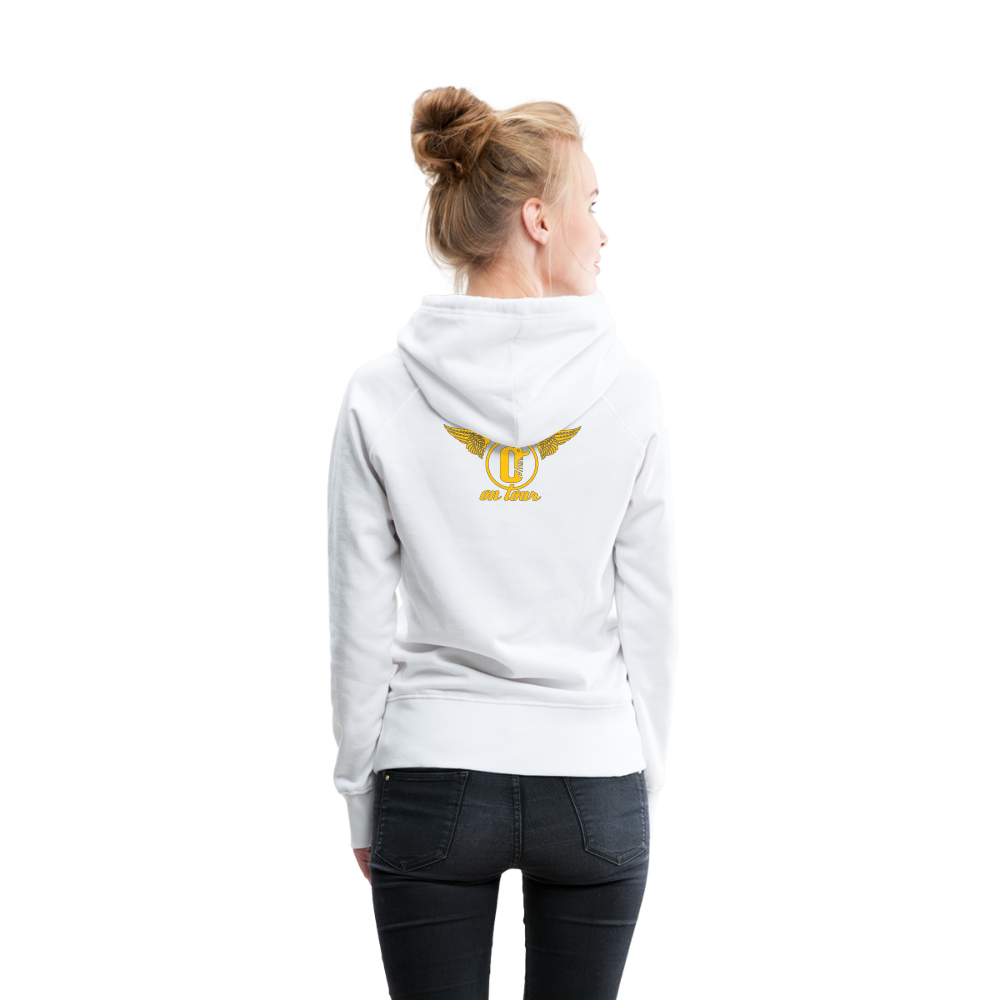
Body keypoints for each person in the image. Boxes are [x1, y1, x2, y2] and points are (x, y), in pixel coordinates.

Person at [328, 76, 679, 999]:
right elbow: (652, 617)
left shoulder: (378, 393)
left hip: (429, 775)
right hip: (594, 773)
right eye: (591, 207)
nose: (602, 233)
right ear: (538, 220)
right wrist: (638, 786)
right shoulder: (630, 391)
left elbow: (358, 623)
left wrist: (360, 796)